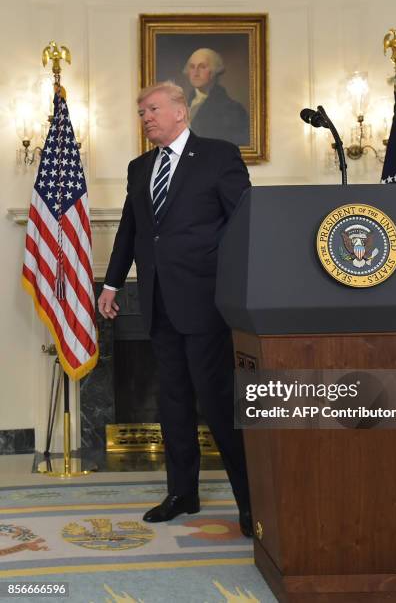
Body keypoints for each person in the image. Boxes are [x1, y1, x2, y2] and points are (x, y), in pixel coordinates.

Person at [97, 81, 252, 537]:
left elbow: (242, 222)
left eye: (152, 108)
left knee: (219, 403)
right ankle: (182, 493)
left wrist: (222, 275)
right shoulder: (139, 167)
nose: (144, 117)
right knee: (174, 402)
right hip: (159, 302)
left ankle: (251, 500)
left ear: (180, 111)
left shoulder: (220, 156)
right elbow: (131, 229)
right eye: (140, 110)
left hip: (206, 302)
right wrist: (110, 283)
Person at [184, 48, 250, 146]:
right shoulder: (182, 103)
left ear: (215, 71)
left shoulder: (234, 110)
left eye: (202, 67)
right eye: (192, 67)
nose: (196, 72)